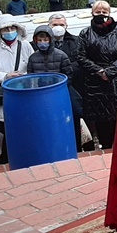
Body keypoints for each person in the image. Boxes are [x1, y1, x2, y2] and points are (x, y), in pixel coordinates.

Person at [77, 0, 117, 149]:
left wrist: (110, 72)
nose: (101, 14)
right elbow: (81, 57)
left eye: (104, 12)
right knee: (101, 124)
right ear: (92, 13)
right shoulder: (85, 33)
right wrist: (99, 71)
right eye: (98, 12)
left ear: (110, 14)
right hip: (94, 85)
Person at [0, 15, 33, 165]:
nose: (10, 31)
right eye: (6, 29)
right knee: (8, 133)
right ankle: (8, 162)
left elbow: (33, 69)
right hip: (2, 96)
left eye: (12, 28)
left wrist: (23, 78)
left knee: (24, 131)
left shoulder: (25, 46)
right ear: (0, 31)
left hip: (23, 95)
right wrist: (5, 76)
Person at [47, 13, 85, 151]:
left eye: (61, 25)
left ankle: (76, 149)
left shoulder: (76, 41)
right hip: (50, 90)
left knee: (73, 121)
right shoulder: (41, 42)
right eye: (55, 25)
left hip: (73, 88)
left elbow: (81, 61)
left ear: (66, 26)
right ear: (49, 26)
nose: (58, 28)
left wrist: (64, 71)